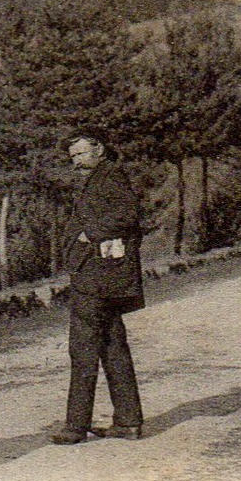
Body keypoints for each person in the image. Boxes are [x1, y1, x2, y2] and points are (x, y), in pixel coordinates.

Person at [51, 128, 146, 445]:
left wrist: (88, 234)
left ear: (99, 150)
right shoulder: (104, 177)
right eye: (72, 156)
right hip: (107, 275)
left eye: (80, 153)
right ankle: (128, 423)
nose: (75, 160)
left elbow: (128, 214)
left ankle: (75, 426)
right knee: (113, 347)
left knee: (83, 349)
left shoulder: (109, 177)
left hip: (95, 276)